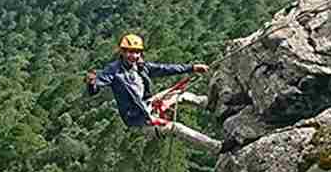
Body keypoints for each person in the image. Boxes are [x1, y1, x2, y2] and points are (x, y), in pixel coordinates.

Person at [85, 33, 233, 155]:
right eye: (129, 51)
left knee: (180, 94)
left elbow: (165, 69)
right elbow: (96, 88)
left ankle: (209, 104)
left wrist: (192, 68)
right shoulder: (113, 71)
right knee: (176, 128)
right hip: (140, 120)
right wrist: (92, 84)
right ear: (122, 52)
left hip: (148, 104)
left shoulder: (141, 67)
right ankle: (217, 147)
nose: (133, 55)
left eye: (136, 52)